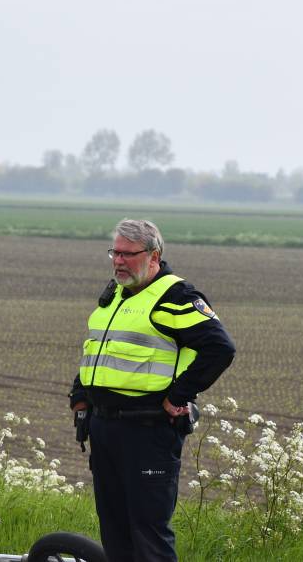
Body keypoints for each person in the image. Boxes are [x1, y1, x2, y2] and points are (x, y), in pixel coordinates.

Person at [69, 219, 235, 562]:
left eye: (128, 254)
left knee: (148, 535)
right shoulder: (116, 294)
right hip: (105, 428)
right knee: (115, 531)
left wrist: (179, 396)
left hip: (147, 431)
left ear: (154, 256)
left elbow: (220, 348)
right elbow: (98, 349)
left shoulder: (176, 296)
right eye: (115, 253)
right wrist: (80, 396)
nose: (118, 261)